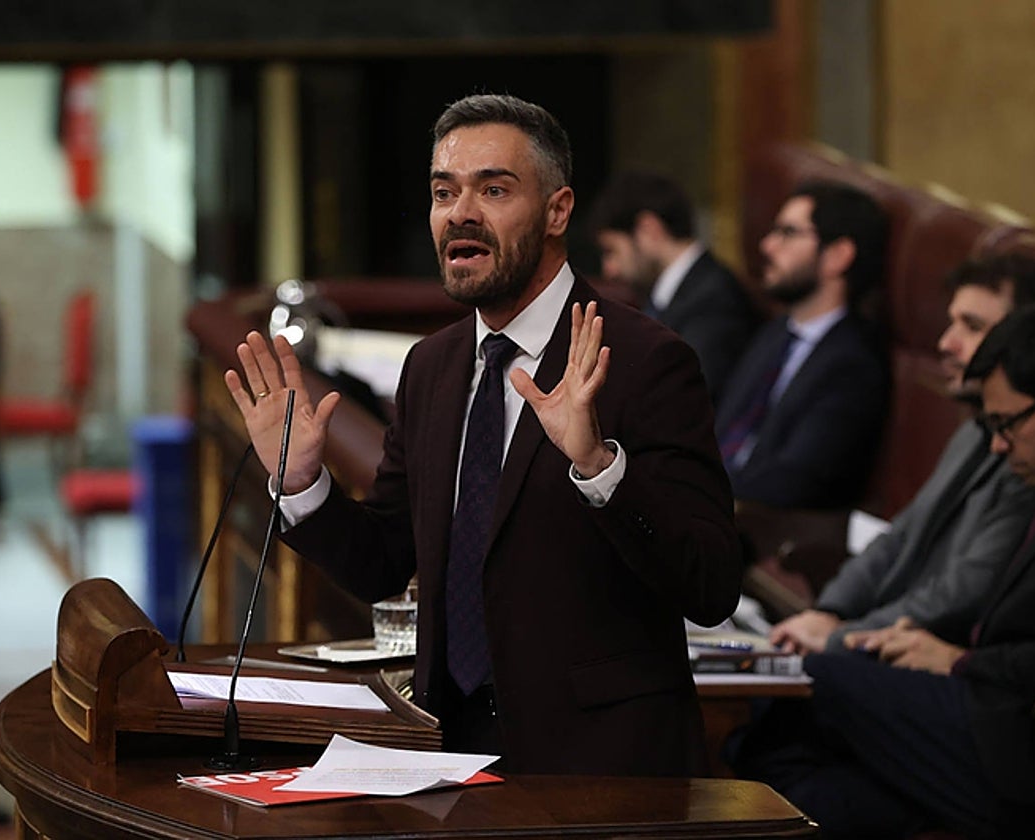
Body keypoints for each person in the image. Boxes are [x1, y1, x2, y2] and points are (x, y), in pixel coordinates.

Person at [224, 93, 743, 775]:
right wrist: (302, 485)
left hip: (602, 773)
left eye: (494, 189)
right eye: (445, 192)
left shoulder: (645, 360)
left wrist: (596, 467)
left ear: (558, 210)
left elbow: (709, 588)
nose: (460, 213)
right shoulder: (432, 366)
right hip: (448, 754)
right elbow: (382, 559)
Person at [733, 300, 1035, 839]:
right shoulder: (1032, 476)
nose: (998, 444)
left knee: (814, 681)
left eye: (1009, 425)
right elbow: (904, 536)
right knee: (808, 801)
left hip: (1018, 739)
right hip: (977, 711)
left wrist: (958, 661)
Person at [769, 254, 1035, 654]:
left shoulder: (1034, 456)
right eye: (951, 322)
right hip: (880, 630)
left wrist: (840, 639)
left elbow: (967, 590)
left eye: (971, 327)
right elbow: (900, 536)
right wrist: (829, 611)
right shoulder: (973, 432)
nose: (945, 343)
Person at [713, 180, 891, 509]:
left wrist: (696, 491)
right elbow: (722, 430)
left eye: (789, 233)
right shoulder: (777, 332)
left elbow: (794, 480)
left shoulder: (852, 365)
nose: (768, 245)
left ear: (838, 256)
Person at [588, 171, 761, 401]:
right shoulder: (666, 297)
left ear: (648, 230)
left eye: (612, 251)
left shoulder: (714, 300)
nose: (609, 270)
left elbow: (686, 398)